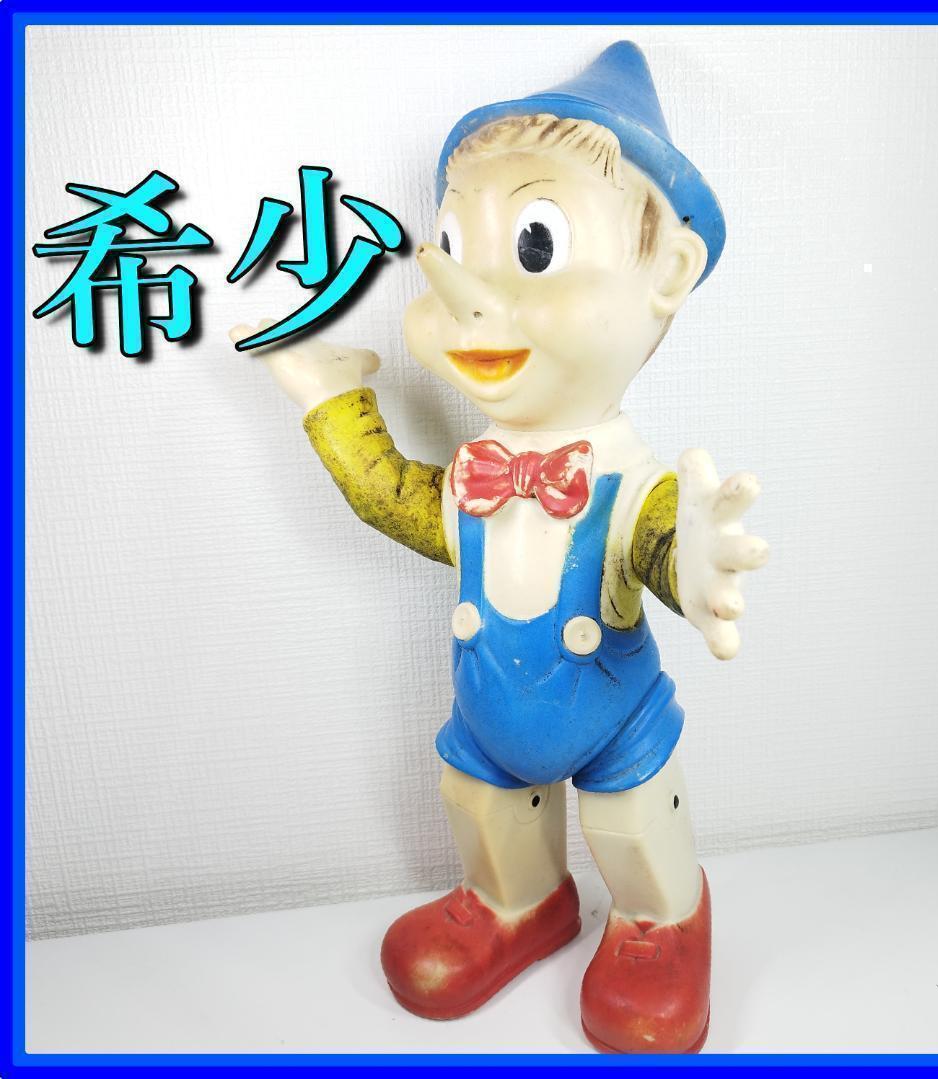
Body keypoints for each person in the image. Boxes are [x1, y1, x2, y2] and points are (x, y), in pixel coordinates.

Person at [232, 41, 767, 1054]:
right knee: (480, 803)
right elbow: (392, 496)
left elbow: (658, 535)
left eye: (533, 243)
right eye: (449, 243)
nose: (460, 290)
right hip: (489, 718)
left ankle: (663, 919)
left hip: (614, 724)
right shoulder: (473, 474)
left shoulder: (623, 479)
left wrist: (690, 565)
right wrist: (332, 400)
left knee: (633, 824)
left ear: (668, 270)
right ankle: (518, 900)